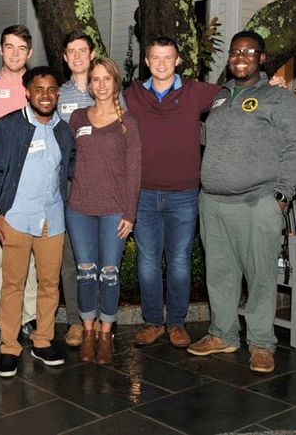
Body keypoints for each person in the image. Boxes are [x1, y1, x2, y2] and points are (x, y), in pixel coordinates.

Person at [188, 31, 296, 373]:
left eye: (248, 51)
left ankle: (261, 343)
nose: (241, 57)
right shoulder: (220, 96)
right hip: (213, 202)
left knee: (260, 277)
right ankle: (223, 334)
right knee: (220, 274)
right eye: (235, 51)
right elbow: (205, 137)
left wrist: (283, 196)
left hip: (258, 204)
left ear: (262, 58)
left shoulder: (277, 98)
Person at [123, 36, 220, 349]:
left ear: (178, 60)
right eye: (155, 57)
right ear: (147, 61)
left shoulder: (195, 92)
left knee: (179, 261)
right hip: (144, 194)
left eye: (168, 57)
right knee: (148, 261)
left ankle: (177, 322)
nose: (162, 63)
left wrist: (272, 85)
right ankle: (153, 322)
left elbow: (234, 93)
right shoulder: (132, 95)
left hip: (183, 194)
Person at [0, 66, 75, 377]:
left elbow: (70, 169)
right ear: (28, 93)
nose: (45, 95)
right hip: (16, 218)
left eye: (51, 89)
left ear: (57, 93)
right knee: (13, 284)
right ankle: (9, 346)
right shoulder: (10, 126)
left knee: (49, 284)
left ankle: (43, 340)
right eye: (39, 89)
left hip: (53, 219)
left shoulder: (64, 129)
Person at [66, 57, 141, 364]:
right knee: (85, 274)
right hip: (79, 207)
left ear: (115, 82)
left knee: (109, 274)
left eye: (106, 79)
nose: (100, 85)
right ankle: (87, 332)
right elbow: (69, 160)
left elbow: (134, 170)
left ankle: (106, 333)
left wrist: (129, 213)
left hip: (114, 209)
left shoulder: (128, 123)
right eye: (95, 79)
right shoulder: (78, 118)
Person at [0, 25, 39, 347]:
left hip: (32, 186)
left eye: (21, 48)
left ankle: (28, 316)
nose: (14, 53)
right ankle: (0, 319)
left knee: (28, 257)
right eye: (9, 47)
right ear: (1, 50)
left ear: (29, 53)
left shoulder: (37, 85)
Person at [56, 31, 97, 347]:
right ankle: (75, 321)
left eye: (83, 50)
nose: (78, 56)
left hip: (103, 186)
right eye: (72, 51)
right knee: (72, 259)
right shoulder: (57, 96)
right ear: (66, 58)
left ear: (92, 54)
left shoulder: (108, 90)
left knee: (102, 257)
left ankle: (99, 318)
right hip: (69, 187)